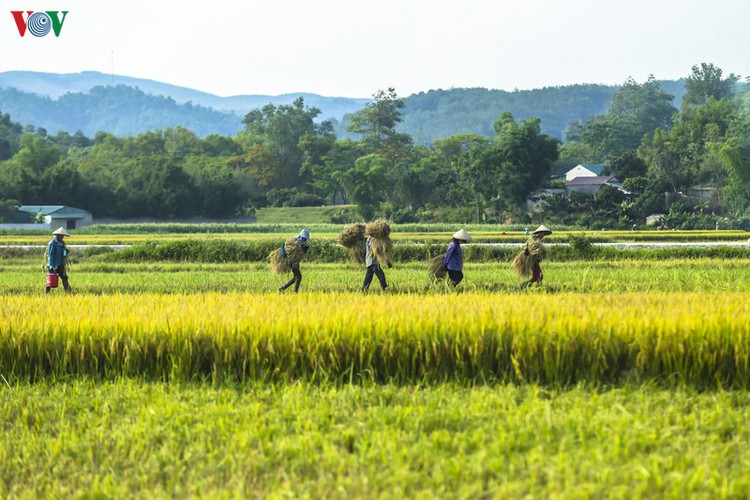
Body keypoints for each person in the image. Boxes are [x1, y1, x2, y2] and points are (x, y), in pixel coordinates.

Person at [514, 225, 552, 289]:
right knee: (539, 276)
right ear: (539, 233)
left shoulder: (538, 240)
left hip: (535, 260)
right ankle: (525, 286)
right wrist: (530, 253)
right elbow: (527, 247)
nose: (543, 235)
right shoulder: (534, 239)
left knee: (536, 277)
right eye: (542, 233)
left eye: (543, 234)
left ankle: (530, 286)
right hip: (532, 260)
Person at [45, 227, 72, 294]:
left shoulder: (62, 243)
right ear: (57, 235)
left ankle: (69, 292)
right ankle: (45, 294)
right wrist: (52, 266)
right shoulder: (52, 244)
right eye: (61, 236)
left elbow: (64, 253)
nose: (62, 237)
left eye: (63, 236)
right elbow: (51, 255)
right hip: (53, 265)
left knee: (65, 278)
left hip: (60, 265)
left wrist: (65, 252)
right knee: (50, 281)